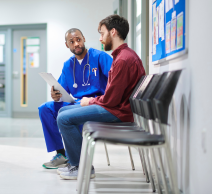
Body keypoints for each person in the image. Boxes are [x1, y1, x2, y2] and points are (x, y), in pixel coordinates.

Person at [57, 15, 146, 179]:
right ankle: (77, 163)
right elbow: (112, 96)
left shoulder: (123, 60)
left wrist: (90, 101)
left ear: (113, 32)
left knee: (64, 119)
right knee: (62, 113)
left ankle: (80, 166)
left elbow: (111, 100)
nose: (100, 38)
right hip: (116, 107)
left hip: (118, 111)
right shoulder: (122, 56)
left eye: (102, 33)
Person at [39, 28, 113, 169]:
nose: (76, 44)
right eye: (71, 42)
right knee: (45, 109)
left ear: (84, 38)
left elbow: (116, 80)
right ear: (67, 45)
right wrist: (56, 95)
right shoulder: (68, 65)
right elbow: (62, 90)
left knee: (70, 112)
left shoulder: (99, 57)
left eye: (78, 39)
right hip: (77, 102)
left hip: (96, 103)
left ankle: (79, 161)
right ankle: (61, 154)